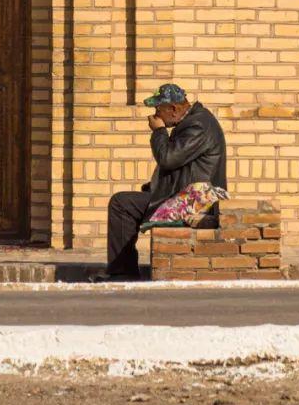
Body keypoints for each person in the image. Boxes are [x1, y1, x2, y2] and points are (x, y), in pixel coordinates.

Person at [93, 82, 228, 282]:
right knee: (130, 202)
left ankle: (122, 272)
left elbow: (168, 158)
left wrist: (158, 131)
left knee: (121, 204)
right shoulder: (194, 121)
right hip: (185, 196)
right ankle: (122, 269)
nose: (156, 115)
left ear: (173, 109)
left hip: (195, 202)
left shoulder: (198, 125)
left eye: (158, 110)